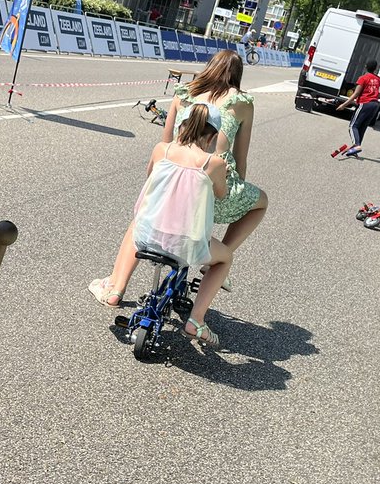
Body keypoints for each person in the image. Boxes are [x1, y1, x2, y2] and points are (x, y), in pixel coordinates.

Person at [90, 48, 267, 309]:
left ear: (209, 66)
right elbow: (241, 158)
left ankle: (116, 288)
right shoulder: (242, 102)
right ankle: (219, 259)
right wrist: (235, 188)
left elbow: (165, 144)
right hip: (215, 187)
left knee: (141, 221)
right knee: (262, 202)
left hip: (173, 184)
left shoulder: (184, 93)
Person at [91, 103, 234, 345]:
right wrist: (223, 175)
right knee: (226, 258)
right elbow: (221, 194)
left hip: (148, 236)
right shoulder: (214, 163)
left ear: (181, 127)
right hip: (186, 245)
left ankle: (115, 288)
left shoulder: (162, 150)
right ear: (212, 137)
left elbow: (151, 176)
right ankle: (196, 320)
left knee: (138, 221)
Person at [335, 56, 380, 158]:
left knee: (353, 126)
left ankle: (356, 145)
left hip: (365, 103)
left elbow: (356, 93)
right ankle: (355, 150)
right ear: (375, 68)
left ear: (365, 66)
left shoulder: (363, 78)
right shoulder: (378, 79)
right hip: (375, 105)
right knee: (362, 127)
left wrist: (343, 105)